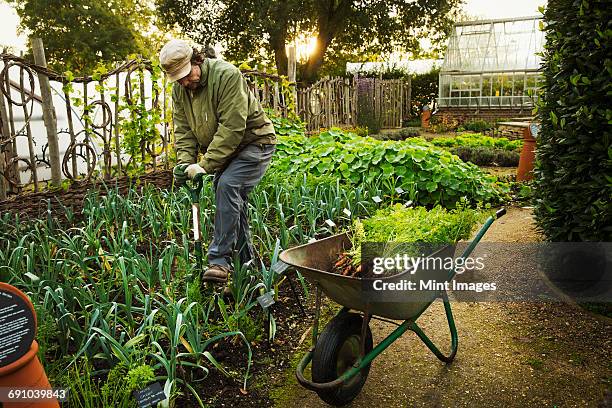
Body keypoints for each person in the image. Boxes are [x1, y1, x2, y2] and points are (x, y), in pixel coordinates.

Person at [159, 38, 276, 284]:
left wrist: (204, 165)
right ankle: (248, 269)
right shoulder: (180, 90)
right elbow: (183, 130)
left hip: (255, 142)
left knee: (226, 186)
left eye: (186, 74)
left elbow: (233, 128)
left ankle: (219, 261)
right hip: (228, 152)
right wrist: (185, 163)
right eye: (178, 78)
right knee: (232, 202)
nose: (184, 81)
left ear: (196, 60)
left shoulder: (226, 75)